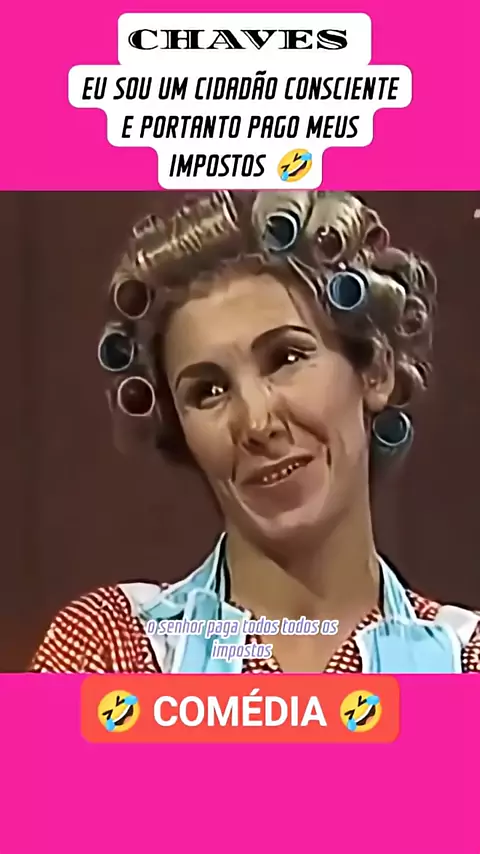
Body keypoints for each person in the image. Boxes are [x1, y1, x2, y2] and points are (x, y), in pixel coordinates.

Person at [30, 190, 480, 675]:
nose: (257, 423)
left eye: (286, 358)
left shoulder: (465, 662)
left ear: (376, 370)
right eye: (208, 391)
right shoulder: (110, 647)